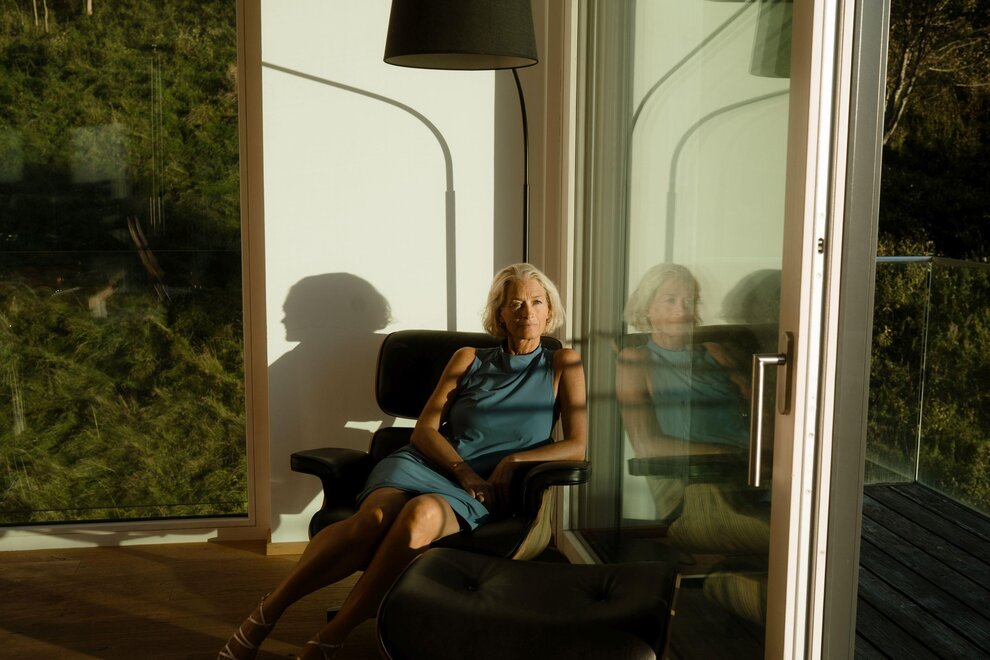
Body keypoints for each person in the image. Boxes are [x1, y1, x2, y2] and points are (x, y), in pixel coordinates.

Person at [219, 263, 587, 660]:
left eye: (536, 302)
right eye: (515, 303)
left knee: (420, 515)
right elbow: (423, 431)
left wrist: (513, 460)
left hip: (486, 488)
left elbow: (576, 446)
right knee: (372, 521)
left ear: (550, 310)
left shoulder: (562, 363)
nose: (526, 312)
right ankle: (267, 611)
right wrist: (463, 472)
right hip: (431, 465)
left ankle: (331, 637)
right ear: (500, 312)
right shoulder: (468, 358)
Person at [616, 263, 767, 556]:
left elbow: (762, 414)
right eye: (670, 300)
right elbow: (646, 445)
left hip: (755, 477)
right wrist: (729, 454)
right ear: (647, 308)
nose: (682, 310)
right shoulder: (635, 359)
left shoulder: (716, 352)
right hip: (698, 488)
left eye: (689, 301)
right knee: (791, 540)